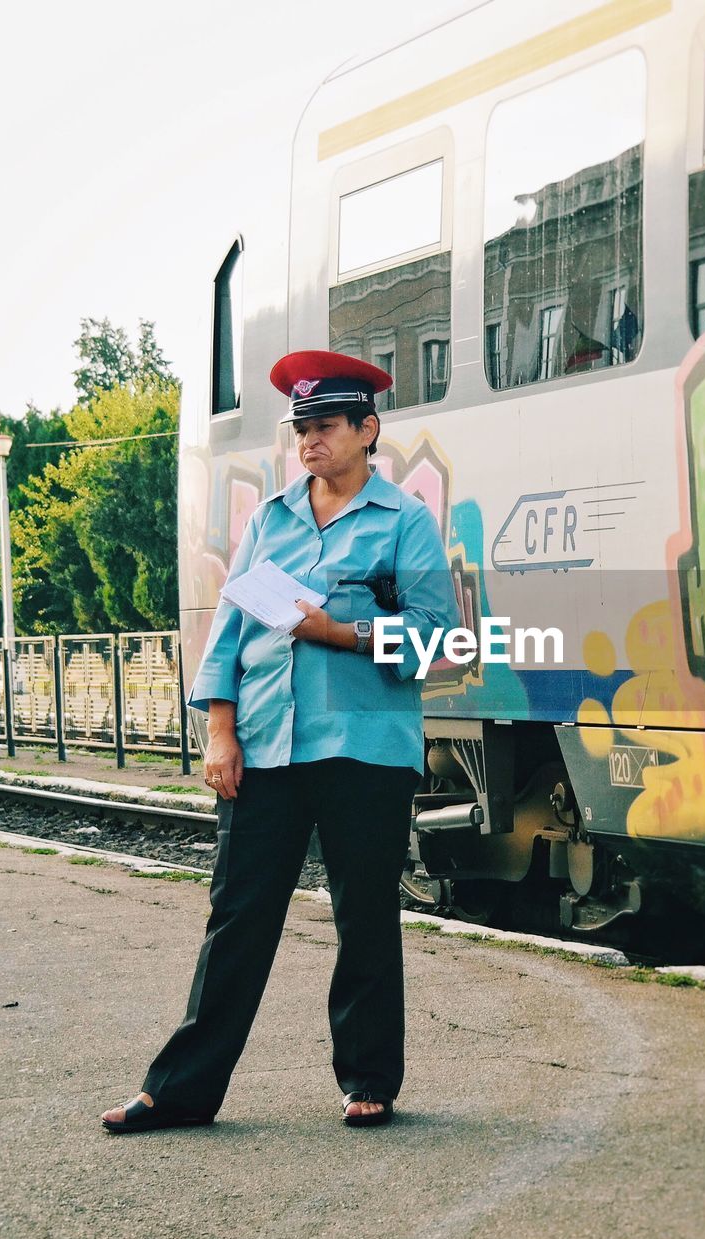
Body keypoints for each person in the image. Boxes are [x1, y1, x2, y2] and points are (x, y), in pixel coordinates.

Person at [100, 351, 459, 1133]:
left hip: (363, 750)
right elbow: (228, 634)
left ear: (367, 430)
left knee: (364, 916)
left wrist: (335, 629)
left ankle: (368, 1079)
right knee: (237, 917)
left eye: (325, 426)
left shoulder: (405, 522)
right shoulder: (269, 520)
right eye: (301, 428)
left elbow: (438, 642)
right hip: (263, 749)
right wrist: (219, 733)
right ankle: (181, 1091)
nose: (308, 441)